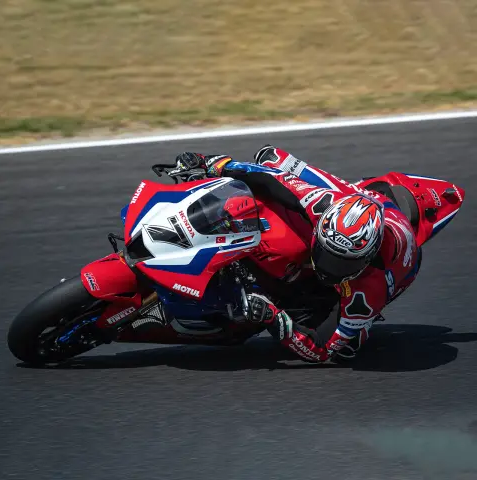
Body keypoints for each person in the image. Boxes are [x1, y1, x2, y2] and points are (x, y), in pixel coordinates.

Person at [169, 146, 421, 363]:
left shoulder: (369, 289)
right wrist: (216, 164)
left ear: (365, 259)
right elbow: (273, 178)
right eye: (326, 252)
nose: (327, 266)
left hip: (400, 263)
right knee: (270, 157)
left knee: (346, 350)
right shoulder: (323, 203)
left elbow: (323, 349)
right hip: (358, 200)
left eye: (340, 263)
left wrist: (274, 318)